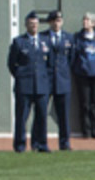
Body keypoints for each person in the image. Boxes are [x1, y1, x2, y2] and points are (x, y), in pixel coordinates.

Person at [8, 10, 50, 153]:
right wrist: (20, 76)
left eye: (36, 24)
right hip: (24, 86)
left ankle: (40, 144)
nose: (34, 26)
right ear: (26, 25)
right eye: (31, 24)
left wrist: (45, 80)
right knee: (22, 117)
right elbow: (11, 64)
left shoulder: (45, 41)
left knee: (42, 117)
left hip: (41, 85)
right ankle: (20, 145)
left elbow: (49, 64)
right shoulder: (19, 42)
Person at [40, 9, 75, 151]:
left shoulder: (69, 38)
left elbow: (71, 59)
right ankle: (40, 142)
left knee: (63, 115)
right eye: (54, 20)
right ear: (50, 22)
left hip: (62, 80)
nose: (56, 23)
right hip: (46, 80)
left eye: (59, 20)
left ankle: (64, 143)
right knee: (41, 113)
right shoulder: (43, 37)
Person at [71, 12, 95, 139]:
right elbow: (74, 56)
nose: (85, 22)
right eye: (84, 19)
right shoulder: (78, 38)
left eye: (88, 20)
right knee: (84, 103)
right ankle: (86, 132)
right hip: (82, 75)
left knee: (94, 103)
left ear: (94, 23)